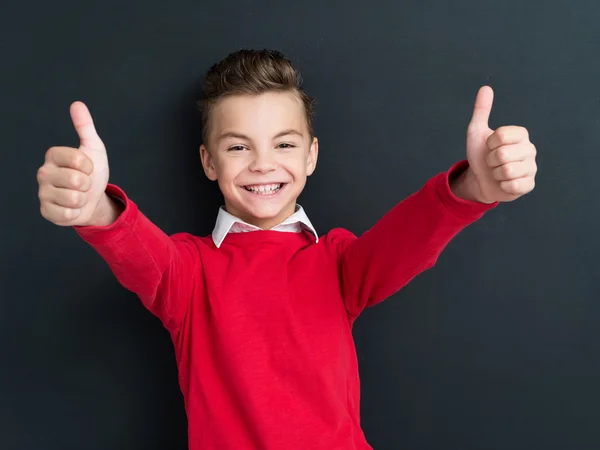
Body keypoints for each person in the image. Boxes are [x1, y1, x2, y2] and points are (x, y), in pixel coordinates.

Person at [36, 49, 538, 449]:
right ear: (208, 162)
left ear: (311, 155)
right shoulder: (187, 270)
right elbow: (135, 247)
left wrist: (476, 186)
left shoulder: (339, 262)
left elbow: (411, 237)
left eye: (283, 144)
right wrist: (92, 205)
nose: (262, 163)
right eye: (238, 147)